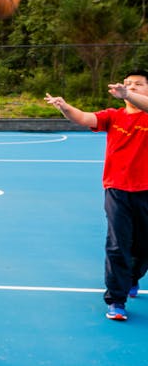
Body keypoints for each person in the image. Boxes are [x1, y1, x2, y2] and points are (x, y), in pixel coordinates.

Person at [45, 69, 148, 321]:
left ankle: (132, 277)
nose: (130, 88)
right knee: (117, 244)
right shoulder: (113, 116)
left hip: (145, 192)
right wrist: (64, 107)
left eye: (138, 85)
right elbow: (83, 118)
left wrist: (128, 94)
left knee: (143, 246)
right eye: (127, 84)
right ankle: (116, 299)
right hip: (117, 189)